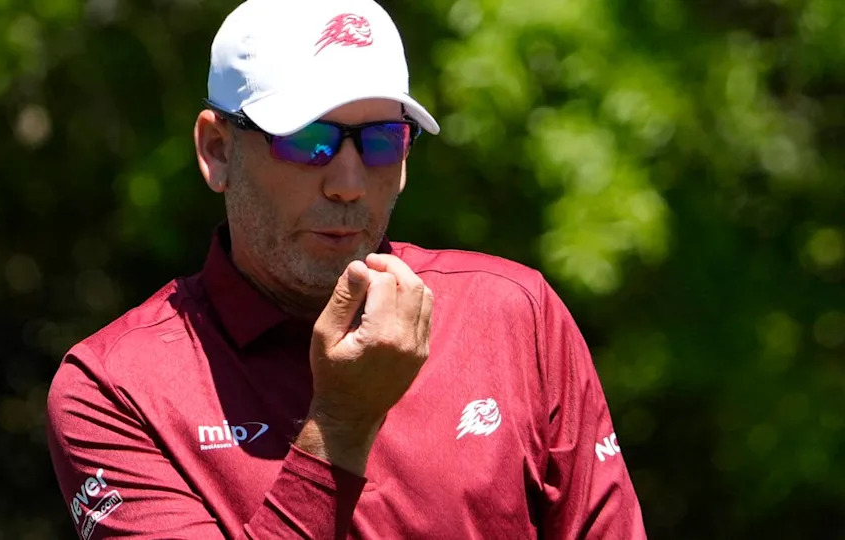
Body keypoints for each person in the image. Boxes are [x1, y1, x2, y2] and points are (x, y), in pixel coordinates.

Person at [45, 0, 647, 537]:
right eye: (309, 140)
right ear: (218, 149)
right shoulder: (114, 387)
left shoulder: (516, 314)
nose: (349, 183)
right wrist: (340, 426)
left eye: (383, 140)